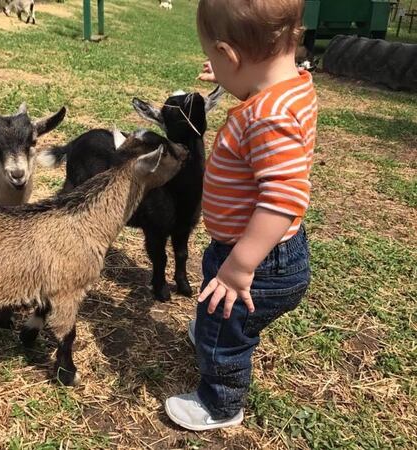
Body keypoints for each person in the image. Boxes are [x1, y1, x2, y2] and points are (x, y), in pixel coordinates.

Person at [165, 0, 317, 431]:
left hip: (258, 261)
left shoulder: (269, 118)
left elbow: (283, 197)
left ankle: (220, 403)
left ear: (232, 55)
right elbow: (262, 83)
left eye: (217, 60)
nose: (214, 67)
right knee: (221, 317)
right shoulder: (292, 86)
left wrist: (241, 265)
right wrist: (235, 77)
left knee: (226, 332)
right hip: (272, 253)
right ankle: (216, 326)